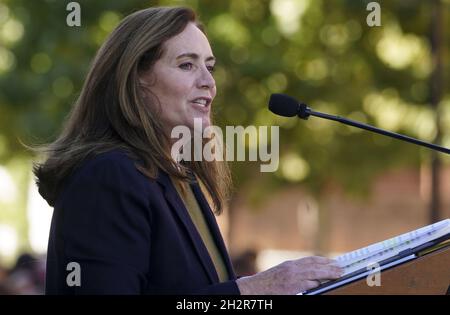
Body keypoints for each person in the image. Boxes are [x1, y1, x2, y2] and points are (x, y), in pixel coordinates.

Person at [33, 6, 342, 295]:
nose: (209, 82)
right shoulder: (108, 177)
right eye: (187, 65)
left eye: (210, 67)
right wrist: (251, 290)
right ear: (135, 79)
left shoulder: (179, 176)